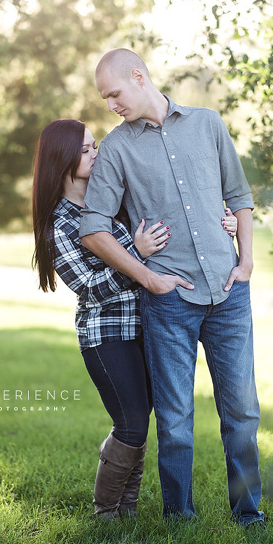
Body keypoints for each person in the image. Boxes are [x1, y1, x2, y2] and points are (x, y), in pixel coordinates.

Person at [79, 49, 264, 528]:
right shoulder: (117, 149)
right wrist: (148, 276)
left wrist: (246, 260)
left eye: (114, 94)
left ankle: (249, 514)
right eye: (105, 98)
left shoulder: (207, 124)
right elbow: (93, 228)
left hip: (228, 294)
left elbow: (239, 197)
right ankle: (179, 517)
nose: (110, 105)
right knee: (176, 422)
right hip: (169, 302)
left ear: (138, 78)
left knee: (242, 414)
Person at [32, 117, 239, 520]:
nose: (98, 152)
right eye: (88, 148)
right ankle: (106, 510)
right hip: (106, 335)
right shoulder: (61, 223)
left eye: (95, 146)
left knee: (142, 418)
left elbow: (171, 217)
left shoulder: (110, 200)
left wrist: (224, 220)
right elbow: (90, 288)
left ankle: (126, 509)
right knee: (129, 421)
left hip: (148, 323)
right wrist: (137, 258)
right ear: (63, 159)